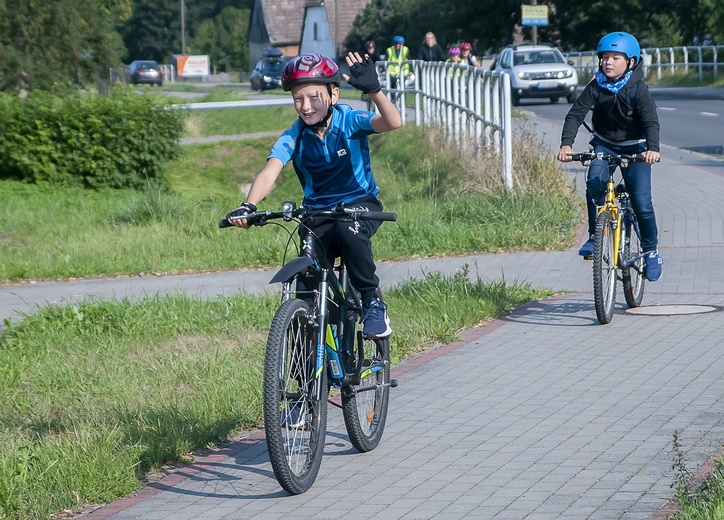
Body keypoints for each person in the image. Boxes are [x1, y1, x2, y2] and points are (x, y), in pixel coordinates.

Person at [224, 53, 402, 337]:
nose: (306, 107)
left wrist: (374, 91)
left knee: (348, 230)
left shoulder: (349, 120)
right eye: (298, 99)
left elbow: (392, 123)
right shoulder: (294, 135)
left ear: (333, 94)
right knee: (306, 275)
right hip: (316, 214)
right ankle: (303, 366)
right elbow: (271, 170)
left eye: (313, 97)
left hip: (359, 205)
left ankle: (373, 301)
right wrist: (248, 205)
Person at [558, 32, 663, 282]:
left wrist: (652, 148)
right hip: (604, 145)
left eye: (616, 57)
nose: (608, 62)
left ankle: (650, 251)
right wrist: (566, 145)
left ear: (630, 62)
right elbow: (575, 115)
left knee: (642, 203)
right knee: (594, 181)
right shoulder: (596, 86)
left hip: (636, 148)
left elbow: (650, 121)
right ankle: (596, 235)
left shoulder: (639, 89)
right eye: (604, 57)